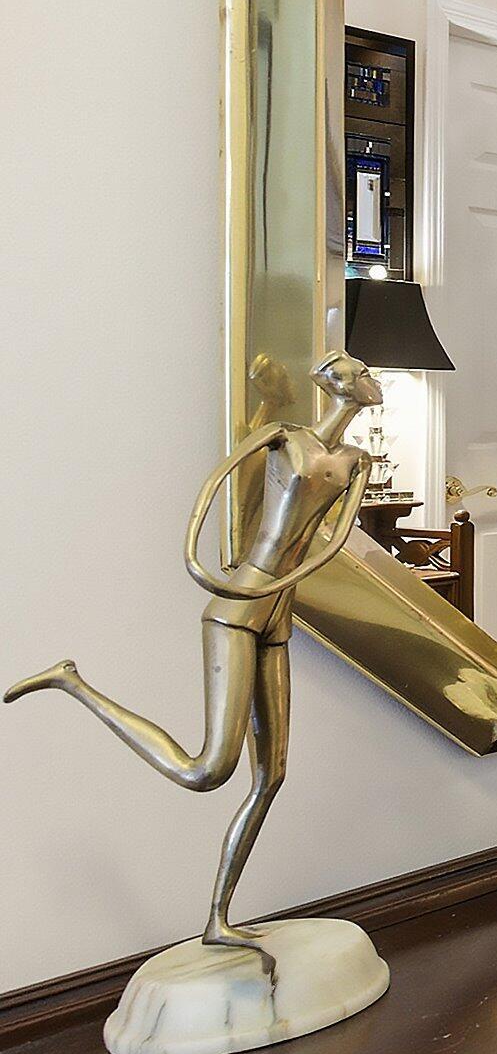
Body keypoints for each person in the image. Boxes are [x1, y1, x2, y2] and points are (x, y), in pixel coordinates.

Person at [7, 353, 379, 983]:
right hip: (236, 607)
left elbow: (334, 543)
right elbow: (211, 494)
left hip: (277, 613)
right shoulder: (282, 437)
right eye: (363, 372)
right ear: (337, 382)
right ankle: (73, 682)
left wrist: (281, 586)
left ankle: (217, 919)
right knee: (208, 770)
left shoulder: (355, 461)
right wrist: (200, 567)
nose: (374, 381)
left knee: (271, 776)